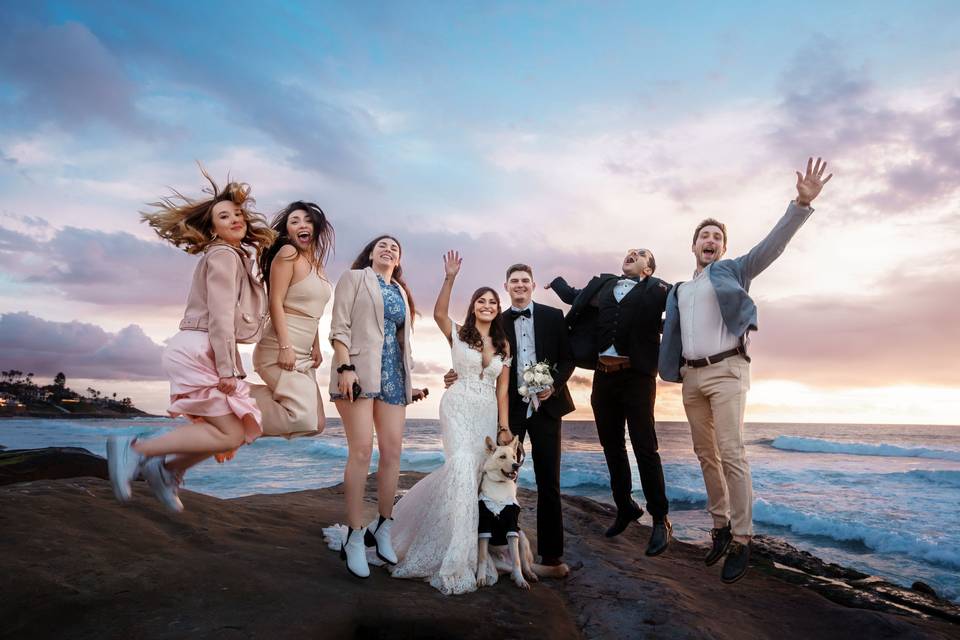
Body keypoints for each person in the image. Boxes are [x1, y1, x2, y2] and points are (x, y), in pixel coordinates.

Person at [658, 157, 833, 584]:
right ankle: (718, 526)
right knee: (704, 455)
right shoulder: (679, 289)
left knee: (732, 452)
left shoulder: (733, 270)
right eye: (704, 235)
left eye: (717, 236)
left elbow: (770, 247)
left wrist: (800, 204)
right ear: (693, 245)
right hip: (692, 378)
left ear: (722, 246)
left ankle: (742, 537)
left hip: (728, 371)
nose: (711, 240)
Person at [107, 167, 274, 512]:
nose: (234, 219)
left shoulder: (234, 256)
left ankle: (165, 470)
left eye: (238, 214)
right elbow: (220, 315)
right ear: (212, 227)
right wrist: (229, 368)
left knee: (234, 431)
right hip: (201, 347)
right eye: (224, 216)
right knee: (231, 433)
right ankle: (136, 451)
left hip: (200, 347)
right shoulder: (224, 256)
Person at [389, 251, 513, 595]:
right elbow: (439, 313)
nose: (486, 305)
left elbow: (502, 391)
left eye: (492, 302)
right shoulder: (459, 334)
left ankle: (476, 549)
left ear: (497, 308)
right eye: (481, 301)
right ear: (473, 306)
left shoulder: (503, 345)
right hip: (458, 404)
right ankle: (457, 557)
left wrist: (503, 427)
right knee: (460, 465)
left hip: (487, 410)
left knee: (474, 477)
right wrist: (450, 277)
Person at [447, 263, 574, 571]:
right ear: (506, 287)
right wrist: (457, 375)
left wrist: (553, 386)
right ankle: (495, 548)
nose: (519, 285)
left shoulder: (553, 316)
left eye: (524, 281)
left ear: (532, 284)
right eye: (514, 281)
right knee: (493, 477)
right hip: (507, 411)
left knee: (549, 481)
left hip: (547, 408)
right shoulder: (497, 321)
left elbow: (567, 358)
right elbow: (476, 355)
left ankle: (552, 558)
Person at [548, 249, 672, 555]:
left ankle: (660, 519)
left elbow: (685, 308)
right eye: (630, 251)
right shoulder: (603, 285)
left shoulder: (659, 289)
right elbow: (574, 297)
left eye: (641, 254)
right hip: (604, 376)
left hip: (638, 377)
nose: (633, 254)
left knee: (644, 446)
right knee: (611, 445)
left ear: (649, 268)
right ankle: (625, 505)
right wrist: (556, 282)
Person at [328, 235, 422, 578]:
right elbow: (339, 326)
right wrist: (344, 367)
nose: (389, 249)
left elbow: (400, 343)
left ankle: (382, 527)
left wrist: (413, 383)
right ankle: (353, 536)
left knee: (393, 452)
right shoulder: (354, 279)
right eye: (382, 245)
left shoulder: (400, 291)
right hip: (357, 374)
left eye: (395, 247)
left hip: (394, 379)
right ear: (370, 253)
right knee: (361, 451)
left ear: (399, 259)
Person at [250, 202, 334, 438]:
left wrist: (316, 345)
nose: (302, 225)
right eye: (294, 221)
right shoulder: (288, 254)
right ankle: (234, 399)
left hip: (304, 352)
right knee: (303, 419)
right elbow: (275, 301)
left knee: (316, 424)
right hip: (279, 348)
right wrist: (285, 347)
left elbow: (313, 310)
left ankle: (238, 414)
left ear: (315, 228)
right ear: (287, 232)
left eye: (307, 220)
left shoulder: (317, 266)